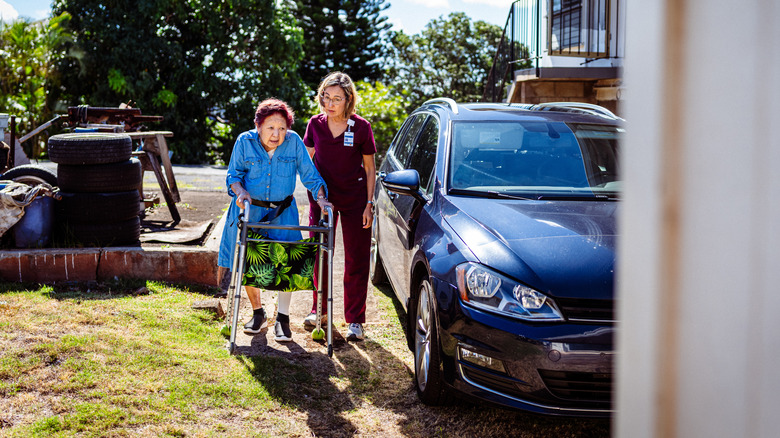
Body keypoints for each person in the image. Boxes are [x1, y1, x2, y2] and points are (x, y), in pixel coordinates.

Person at [218, 98, 332, 342]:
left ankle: (282, 318)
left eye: (282, 128)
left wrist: (321, 198)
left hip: (283, 210)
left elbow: (311, 176)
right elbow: (233, 176)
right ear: (258, 126)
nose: (276, 134)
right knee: (249, 262)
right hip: (251, 209)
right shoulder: (244, 141)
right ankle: (258, 313)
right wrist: (240, 192)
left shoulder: (293, 143)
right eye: (270, 128)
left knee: (287, 261)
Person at [303, 72, 376, 341]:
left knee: (356, 259)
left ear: (348, 100)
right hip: (323, 199)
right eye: (326, 97)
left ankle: (355, 320)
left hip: (356, 199)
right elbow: (304, 161)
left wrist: (369, 204)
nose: (330, 103)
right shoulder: (315, 124)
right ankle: (318, 311)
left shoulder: (361, 127)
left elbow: (370, 169)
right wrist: (315, 192)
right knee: (320, 254)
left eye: (337, 98)